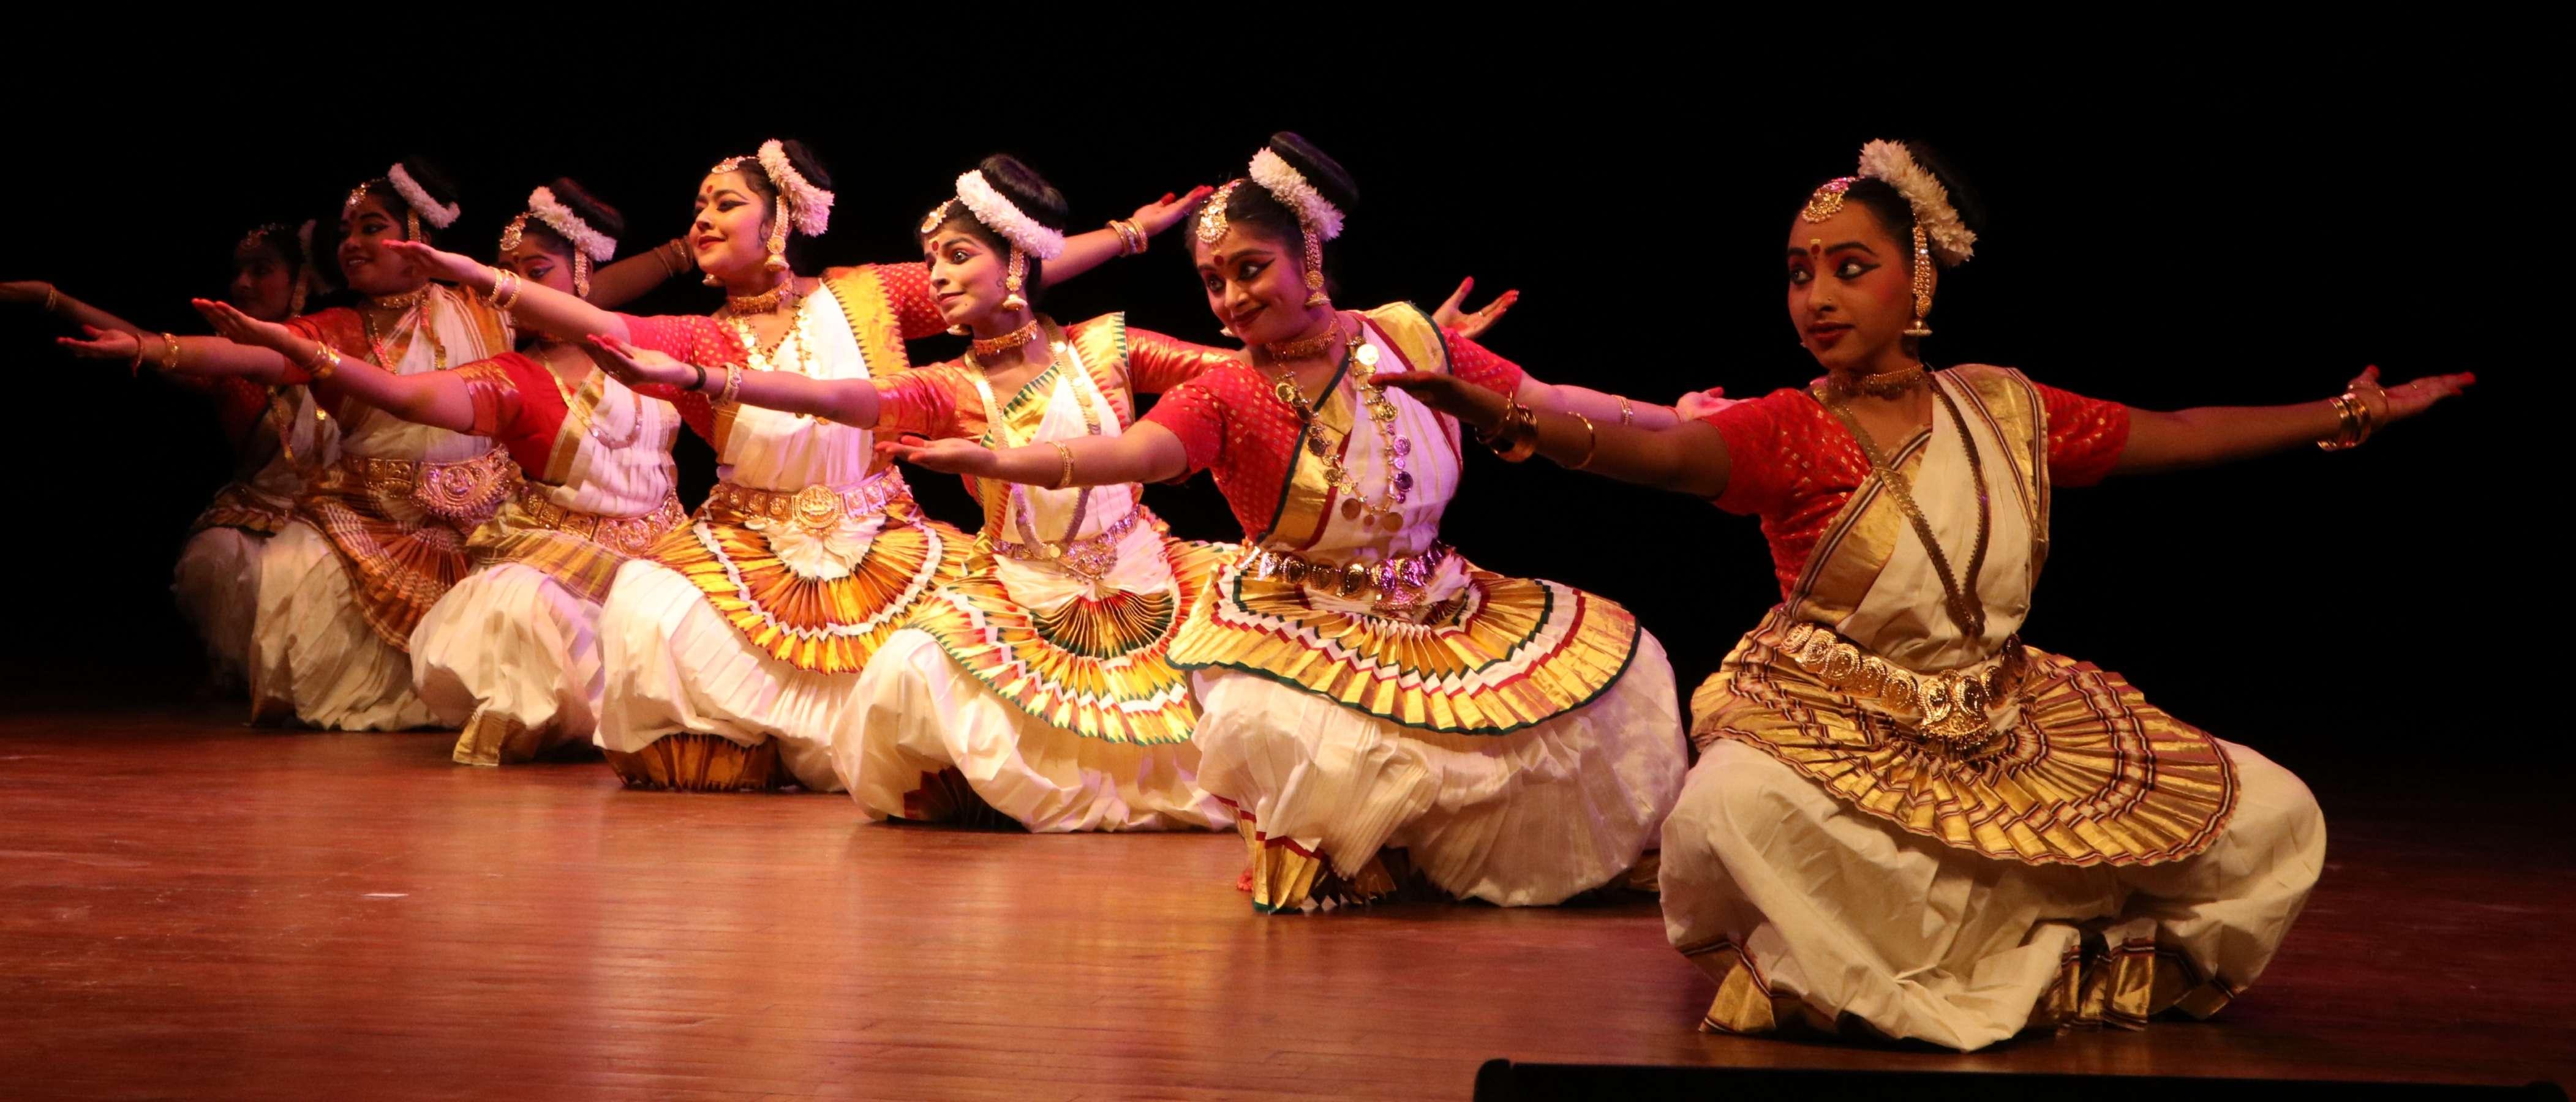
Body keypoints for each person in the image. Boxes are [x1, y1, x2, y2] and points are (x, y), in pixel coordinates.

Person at [1380, 139, 2472, 1049]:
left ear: (1921, 282)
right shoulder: (1789, 428)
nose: (1814, 298)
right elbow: (1658, 457)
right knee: (1725, 812)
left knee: (2275, 812)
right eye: (1799, 272)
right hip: (1836, 720)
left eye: (1849, 268)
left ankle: (2050, 959)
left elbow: (2176, 434)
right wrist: (1509, 420)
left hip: (2002, 722)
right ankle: (1928, 960)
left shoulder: (2006, 409)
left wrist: (2344, 413)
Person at [887, 133, 1690, 910]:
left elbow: (1543, 401)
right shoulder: (1225, 393)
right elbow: (1130, 454)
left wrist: (1668, 416)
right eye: (1213, 281)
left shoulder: (1405, 339)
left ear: (1307, 257)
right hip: (1301, 621)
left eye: (1249, 269)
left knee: (1613, 692)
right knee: (1289, 736)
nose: (1232, 298)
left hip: (1442, 603)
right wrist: (1000, 463)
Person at [382, 139, 1208, 791]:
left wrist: (1128, 236)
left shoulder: (865, 295)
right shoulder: (701, 335)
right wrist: (489, 284)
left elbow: (1006, 268)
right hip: (745, 545)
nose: (701, 220)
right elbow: (608, 327)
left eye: (725, 205)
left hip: (878, 536)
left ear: (781, 220)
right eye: (698, 207)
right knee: (651, 614)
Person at [189, 178, 696, 763]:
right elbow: (404, 398)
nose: (518, 292)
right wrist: (160, 350)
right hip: (433, 517)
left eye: (372, 227)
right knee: (512, 607)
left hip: (650, 547)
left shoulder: (656, 354)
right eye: (510, 274)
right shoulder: (515, 374)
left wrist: (683, 253)